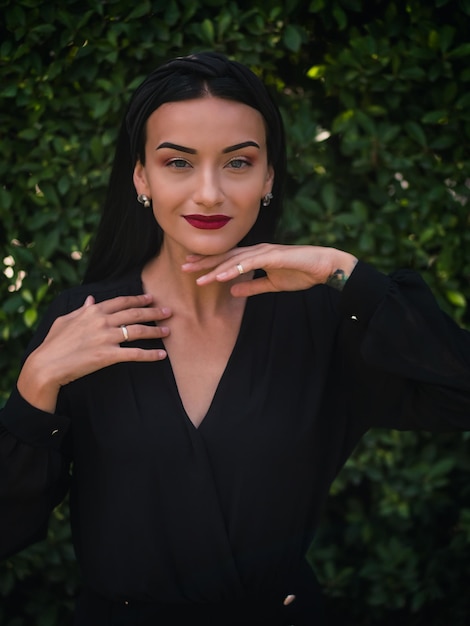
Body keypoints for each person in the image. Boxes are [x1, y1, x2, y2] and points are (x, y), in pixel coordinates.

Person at [1, 51, 469, 626]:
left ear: (269, 176)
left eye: (238, 163)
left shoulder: (324, 318)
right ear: (140, 175)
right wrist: (34, 387)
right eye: (178, 163)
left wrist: (344, 273)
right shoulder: (82, 320)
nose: (209, 194)